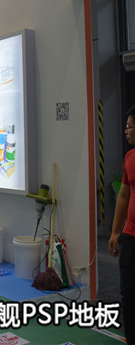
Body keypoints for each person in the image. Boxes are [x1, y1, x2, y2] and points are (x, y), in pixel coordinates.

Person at [109, 104, 135, 345]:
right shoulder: (129, 158)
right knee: (128, 295)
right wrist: (115, 231)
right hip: (130, 236)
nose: (126, 131)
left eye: (129, 126)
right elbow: (124, 195)